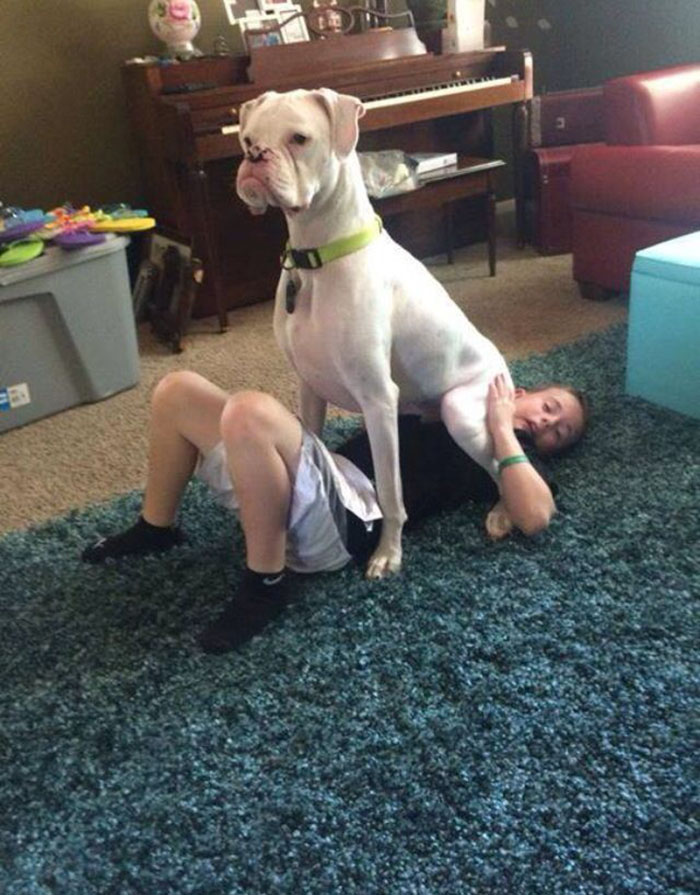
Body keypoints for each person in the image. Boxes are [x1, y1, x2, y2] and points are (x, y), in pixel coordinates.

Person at [82, 370, 588, 653]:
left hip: (352, 518)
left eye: (558, 432)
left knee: (250, 410)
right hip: (320, 480)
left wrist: (503, 430)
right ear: (522, 389)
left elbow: (536, 515)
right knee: (176, 391)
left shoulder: (509, 454)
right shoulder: (454, 395)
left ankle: (266, 584)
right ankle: (156, 527)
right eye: (549, 408)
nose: (546, 425)